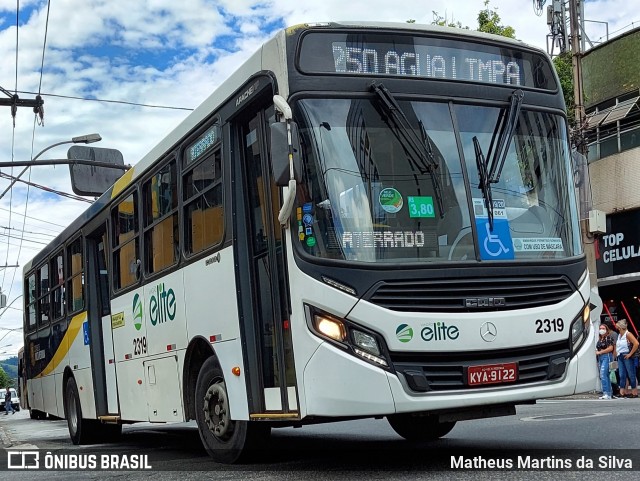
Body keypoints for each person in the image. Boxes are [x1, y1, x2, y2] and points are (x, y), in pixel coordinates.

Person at [614, 319, 639, 398]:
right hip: (620, 356)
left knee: (631, 374)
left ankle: (634, 392)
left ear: (620, 326)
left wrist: (630, 354)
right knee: (622, 375)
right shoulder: (619, 335)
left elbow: (636, 343)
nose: (616, 325)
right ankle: (622, 392)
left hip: (626, 355)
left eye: (617, 324)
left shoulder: (628, 334)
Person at [596, 323, 615, 399]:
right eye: (600, 328)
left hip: (606, 356)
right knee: (604, 375)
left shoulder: (608, 338)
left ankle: (607, 393)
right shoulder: (600, 339)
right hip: (601, 357)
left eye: (603, 328)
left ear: (606, 330)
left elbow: (611, 348)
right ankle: (607, 393)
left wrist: (600, 352)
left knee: (603, 374)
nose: (601, 330)